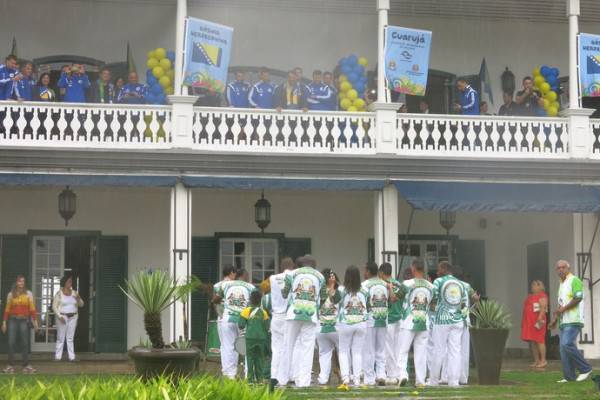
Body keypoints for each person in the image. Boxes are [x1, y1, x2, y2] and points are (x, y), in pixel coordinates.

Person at [277, 255, 327, 388]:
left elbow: (284, 294)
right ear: (313, 265)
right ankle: (303, 381)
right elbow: (323, 297)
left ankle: (282, 379)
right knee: (307, 349)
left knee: (287, 346)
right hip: (311, 316)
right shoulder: (320, 276)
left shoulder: (292, 274)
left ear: (301, 264)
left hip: (293, 314)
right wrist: (315, 305)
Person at [549, 260, 593, 383]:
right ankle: (569, 377)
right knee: (563, 349)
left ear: (568, 268)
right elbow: (560, 304)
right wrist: (554, 320)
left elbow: (578, 297)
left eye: (563, 267)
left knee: (566, 344)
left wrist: (564, 308)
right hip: (564, 321)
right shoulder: (561, 284)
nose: (561, 270)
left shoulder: (575, 280)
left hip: (574, 319)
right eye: (558, 268)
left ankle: (586, 368)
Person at [394, 258, 434, 387]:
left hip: (408, 321)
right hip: (424, 322)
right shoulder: (431, 286)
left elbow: (395, 298)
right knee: (421, 353)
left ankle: (402, 375)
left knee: (403, 350)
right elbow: (433, 305)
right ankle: (420, 381)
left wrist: (390, 288)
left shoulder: (407, 284)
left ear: (413, 268)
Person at [428, 261, 467, 387]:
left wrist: (433, 311)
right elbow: (464, 304)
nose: (437, 272)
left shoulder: (438, 282)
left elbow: (433, 299)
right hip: (458, 320)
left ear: (444, 269)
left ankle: (433, 381)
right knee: (455, 351)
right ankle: (453, 381)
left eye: (439, 269)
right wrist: (461, 317)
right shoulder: (461, 284)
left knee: (438, 350)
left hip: (442, 320)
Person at [213, 267, 256, 379]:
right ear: (245, 276)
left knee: (228, 346)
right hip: (244, 321)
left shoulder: (225, 285)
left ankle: (229, 376)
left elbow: (216, 299)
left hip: (227, 319)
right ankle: (249, 375)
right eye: (248, 276)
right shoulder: (251, 287)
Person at [336, 265, 369, 389]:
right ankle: (356, 379)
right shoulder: (365, 290)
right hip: (361, 323)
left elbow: (334, 301)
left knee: (344, 350)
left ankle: (345, 377)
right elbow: (368, 306)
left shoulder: (341, 290)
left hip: (346, 323)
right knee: (357, 352)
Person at [2, 275, 38, 374]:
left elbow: (32, 309)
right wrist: (4, 322)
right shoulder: (10, 295)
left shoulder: (28, 294)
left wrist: (35, 322)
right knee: (11, 342)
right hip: (12, 320)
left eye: (23, 281)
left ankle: (26, 366)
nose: (21, 283)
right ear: (16, 283)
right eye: (19, 281)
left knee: (25, 343)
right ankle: (10, 366)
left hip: (24, 320)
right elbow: (7, 310)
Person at [361, 261, 389, 386]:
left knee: (369, 349)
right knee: (381, 349)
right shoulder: (385, 284)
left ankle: (369, 377)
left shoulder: (364, 285)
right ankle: (381, 374)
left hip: (370, 319)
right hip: (383, 318)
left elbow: (364, 302)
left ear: (367, 271)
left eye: (364, 270)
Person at [268, 257, 294, 386]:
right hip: (287, 316)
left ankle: (274, 375)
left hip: (275, 317)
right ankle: (285, 377)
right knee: (287, 348)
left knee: (276, 348)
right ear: (292, 266)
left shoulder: (272, 278)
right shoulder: (294, 276)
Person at [316, 268, 342, 385]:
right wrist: (332, 286)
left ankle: (323, 379)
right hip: (336, 327)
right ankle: (345, 376)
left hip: (321, 328)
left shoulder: (318, 292)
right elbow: (335, 299)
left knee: (324, 354)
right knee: (342, 353)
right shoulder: (338, 292)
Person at [238, 290, 270, 383]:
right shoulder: (264, 312)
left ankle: (250, 379)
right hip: (261, 338)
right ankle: (260, 379)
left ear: (251, 299)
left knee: (250, 358)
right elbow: (267, 326)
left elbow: (241, 325)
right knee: (260, 358)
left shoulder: (246, 311)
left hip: (250, 338)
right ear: (260, 300)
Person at [379, 262, 403, 385]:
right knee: (397, 348)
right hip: (400, 318)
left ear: (382, 273)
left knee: (388, 348)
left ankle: (391, 374)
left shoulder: (384, 285)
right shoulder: (399, 284)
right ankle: (399, 373)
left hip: (389, 319)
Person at [52, 275, 84, 362]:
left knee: (70, 338)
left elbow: (81, 304)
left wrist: (78, 299)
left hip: (73, 317)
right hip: (62, 317)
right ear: (64, 282)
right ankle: (58, 357)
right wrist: (59, 316)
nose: (70, 283)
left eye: (71, 281)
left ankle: (72, 357)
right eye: (69, 281)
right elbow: (54, 307)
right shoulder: (59, 293)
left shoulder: (74, 292)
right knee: (60, 338)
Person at [521, 280, 548, 369]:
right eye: (532, 285)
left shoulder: (542, 295)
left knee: (540, 340)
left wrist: (540, 317)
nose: (532, 287)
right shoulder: (529, 296)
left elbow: (543, 308)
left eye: (535, 285)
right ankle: (536, 360)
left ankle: (543, 360)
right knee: (532, 341)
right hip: (529, 321)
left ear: (540, 286)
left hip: (538, 321)